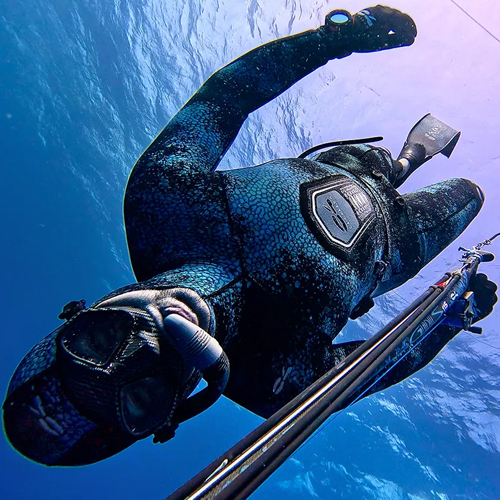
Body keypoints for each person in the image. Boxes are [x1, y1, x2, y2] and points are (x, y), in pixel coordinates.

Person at [3, 5, 497, 467]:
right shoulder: (278, 386)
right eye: (141, 398)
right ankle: (405, 163)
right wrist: (453, 319)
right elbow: (383, 363)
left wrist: (336, 37)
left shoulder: (162, 206)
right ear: (169, 416)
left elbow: (227, 97)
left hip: (344, 165)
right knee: (471, 194)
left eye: (99, 341)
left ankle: (403, 162)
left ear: (83, 313)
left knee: (393, 168)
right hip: (399, 243)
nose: (149, 351)